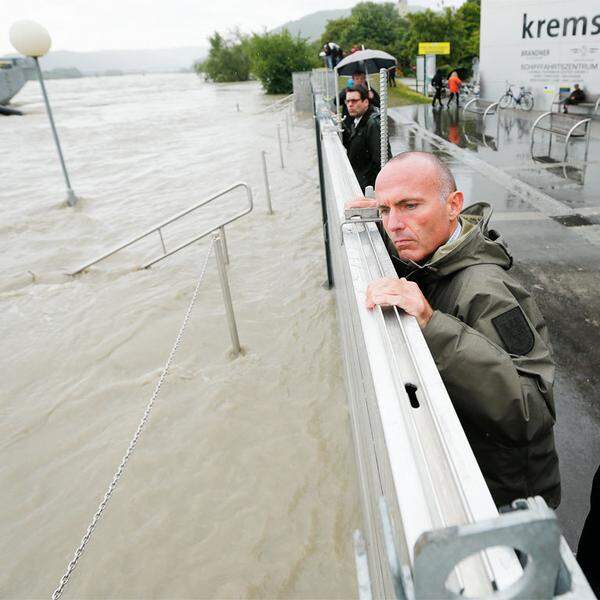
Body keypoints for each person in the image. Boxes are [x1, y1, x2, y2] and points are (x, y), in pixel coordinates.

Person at [347, 151, 561, 509]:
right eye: (386, 211)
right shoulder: (434, 251)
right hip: (476, 473)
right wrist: (379, 214)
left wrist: (432, 324)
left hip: (509, 500)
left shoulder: (487, 289)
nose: (395, 224)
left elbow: (532, 409)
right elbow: (408, 238)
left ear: (453, 205)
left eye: (410, 205)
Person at [342, 85, 391, 192]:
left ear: (366, 102)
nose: (350, 104)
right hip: (361, 185)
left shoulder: (373, 124)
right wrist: (342, 128)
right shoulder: (358, 120)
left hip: (370, 190)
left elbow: (381, 161)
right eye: (348, 101)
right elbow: (356, 147)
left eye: (354, 101)